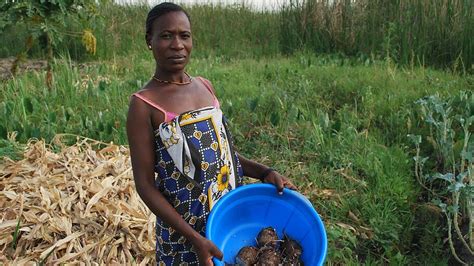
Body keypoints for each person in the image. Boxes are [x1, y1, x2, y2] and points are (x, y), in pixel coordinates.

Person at [126, 2, 296, 265]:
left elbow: (221, 155)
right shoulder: (144, 105)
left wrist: (264, 172)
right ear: (150, 41)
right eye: (166, 36)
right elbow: (145, 186)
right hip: (185, 234)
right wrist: (194, 238)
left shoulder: (204, 86)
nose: (177, 45)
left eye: (184, 35)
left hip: (227, 221)